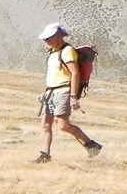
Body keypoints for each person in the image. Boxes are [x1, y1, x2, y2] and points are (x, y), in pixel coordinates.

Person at [35, 23, 102, 163]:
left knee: (63, 125)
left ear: (58, 37)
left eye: (48, 38)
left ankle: (91, 145)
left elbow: (75, 73)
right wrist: (45, 92)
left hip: (63, 91)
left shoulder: (67, 50)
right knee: (45, 124)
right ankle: (44, 155)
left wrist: (73, 97)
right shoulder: (53, 53)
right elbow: (55, 75)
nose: (45, 41)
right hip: (51, 92)